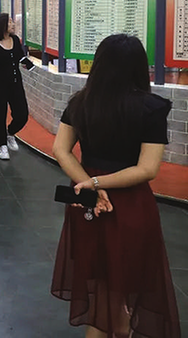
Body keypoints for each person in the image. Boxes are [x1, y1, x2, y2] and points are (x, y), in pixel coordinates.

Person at [50, 34, 180, 338]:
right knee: (122, 292)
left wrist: (89, 184)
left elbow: (60, 150)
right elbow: (147, 169)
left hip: (87, 204)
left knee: (103, 288)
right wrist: (97, 184)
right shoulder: (152, 108)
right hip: (130, 203)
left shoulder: (80, 102)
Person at [0, 13, 29, 161]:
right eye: (10, 22)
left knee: (22, 114)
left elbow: (20, 56)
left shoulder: (15, 40)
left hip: (16, 83)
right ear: (2, 25)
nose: (13, 25)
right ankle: (2, 145)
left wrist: (27, 63)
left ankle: (10, 132)